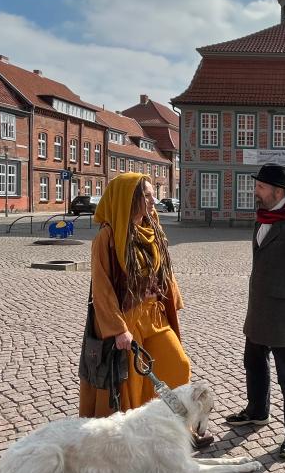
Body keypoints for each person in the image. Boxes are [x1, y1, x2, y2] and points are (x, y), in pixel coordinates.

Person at [80, 172, 213, 449]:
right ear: (130, 199)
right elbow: (102, 288)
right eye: (148, 196)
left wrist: (167, 295)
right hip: (128, 319)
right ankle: (133, 437)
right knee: (132, 384)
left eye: (153, 195)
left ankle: (178, 427)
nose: (155, 201)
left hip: (154, 315)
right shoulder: (107, 237)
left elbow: (164, 269)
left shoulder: (154, 229)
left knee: (178, 365)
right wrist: (118, 329)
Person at [225, 164, 285, 458]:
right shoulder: (263, 218)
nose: (256, 191)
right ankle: (257, 411)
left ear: (278, 191)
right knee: (253, 361)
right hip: (258, 307)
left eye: (261, 187)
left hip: (281, 311)